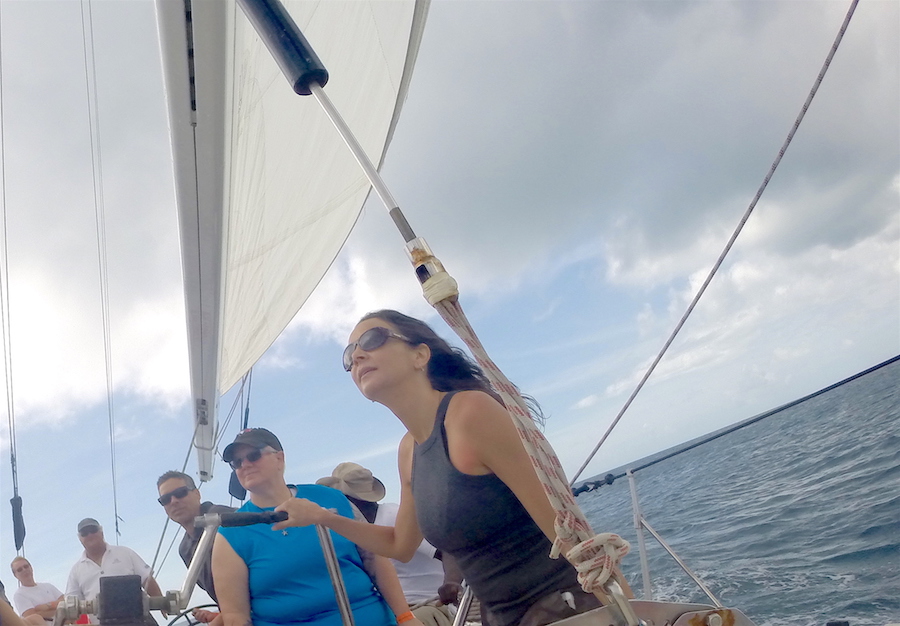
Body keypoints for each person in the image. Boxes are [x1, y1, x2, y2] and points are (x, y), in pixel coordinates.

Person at [274, 310, 631, 626]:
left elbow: (568, 530)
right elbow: (400, 544)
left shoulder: (471, 413)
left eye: (372, 339)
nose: (358, 355)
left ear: (420, 354)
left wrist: (629, 612)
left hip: (566, 606)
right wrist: (323, 517)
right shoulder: (408, 450)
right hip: (501, 615)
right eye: (349, 356)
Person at [211, 428, 424, 626]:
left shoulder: (330, 498)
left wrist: (405, 616)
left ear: (279, 458)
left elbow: (376, 560)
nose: (244, 465)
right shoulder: (231, 532)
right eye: (236, 462)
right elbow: (235, 615)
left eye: (253, 456)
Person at [316, 463, 461, 626]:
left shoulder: (394, 517)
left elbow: (449, 550)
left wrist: (451, 583)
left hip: (430, 605)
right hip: (394, 610)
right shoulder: (353, 533)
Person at [157, 470, 235, 613]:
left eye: (180, 493)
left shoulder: (223, 518)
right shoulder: (184, 549)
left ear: (197, 494)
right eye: (165, 499)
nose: (173, 501)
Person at [65, 518, 164, 620]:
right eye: (84, 533)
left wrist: (162, 604)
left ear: (101, 531)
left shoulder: (125, 552)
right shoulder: (76, 571)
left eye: (93, 530)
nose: (90, 535)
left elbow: (146, 578)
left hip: (140, 619)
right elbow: (70, 603)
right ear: (79, 538)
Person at [9, 558, 62, 625]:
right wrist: (59, 608)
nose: (24, 570)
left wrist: (47, 606)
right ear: (15, 575)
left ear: (31, 567)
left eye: (26, 566)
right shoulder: (19, 595)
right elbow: (33, 617)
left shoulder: (48, 586)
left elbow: (65, 600)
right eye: (20, 570)